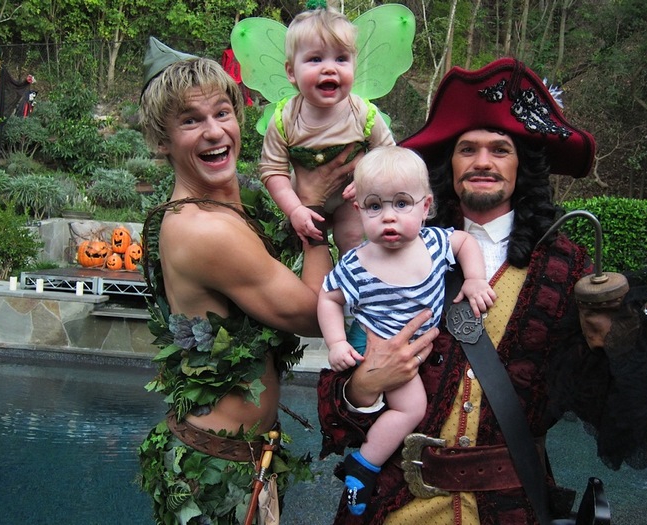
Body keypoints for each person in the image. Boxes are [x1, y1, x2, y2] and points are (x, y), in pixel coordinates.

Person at [317, 57, 647, 524]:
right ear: (448, 165)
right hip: (396, 503)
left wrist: (621, 344)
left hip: (511, 507)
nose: (482, 162)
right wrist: (364, 385)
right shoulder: (384, 253)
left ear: (522, 163)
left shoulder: (568, 268)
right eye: (467, 149)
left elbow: (609, 407)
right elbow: (340, 406)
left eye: (500, 149)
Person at [136, 37, 356, 525]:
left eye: (222, 113)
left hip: (243, 461)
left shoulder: (228, 209)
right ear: (161, 140)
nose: (214, 131)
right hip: (217, 477)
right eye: (190, 121)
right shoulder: (205, 231)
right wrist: (312, 210)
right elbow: (312, 314)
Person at [318, 145, 496, 515]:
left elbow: (465, 241)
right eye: (375, 206)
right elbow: (329, 297)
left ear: (425, 206)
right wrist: (335, 342)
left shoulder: (433, 242)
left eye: (401, 203)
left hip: (424, 348)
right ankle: (364, 464)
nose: (389, 217)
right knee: (412, 408)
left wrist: (475, 278)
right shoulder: (356, 264)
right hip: (384, 351)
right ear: (358, 210)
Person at [259, 6, 395, 254]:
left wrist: (368, 182)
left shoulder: (363, 113)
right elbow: (272, 170)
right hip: (304, 198)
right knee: (307, 243)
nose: (330, 68)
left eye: (341, 58)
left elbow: (389, 155)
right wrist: (294, 209)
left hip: (348, 197)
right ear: (291, 72)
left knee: (350, 237)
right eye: (315, 59)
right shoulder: (284, 119)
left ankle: (352, 273)